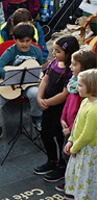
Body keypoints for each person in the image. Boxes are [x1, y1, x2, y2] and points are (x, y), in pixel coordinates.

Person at [0, 24, 48, 146]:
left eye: (28, 41)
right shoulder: (10, 52)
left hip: (28, 84)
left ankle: (36, 118)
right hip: (9, 86)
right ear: (15, 39)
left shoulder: (36, 51)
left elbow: (39, 68)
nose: (25, 44)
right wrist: (11, 76)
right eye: (21, 41)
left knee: (36, 93)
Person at [33, 36, 78, 182]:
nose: (54, 53)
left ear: (68, 53)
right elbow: (45, 79)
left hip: (60, 109)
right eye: (54, 50)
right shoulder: (53, 63)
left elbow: (65, 94)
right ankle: (51, 159)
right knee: (45, 133)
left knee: (60, 137)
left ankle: (62, 164)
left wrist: (47, 101)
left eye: (58, 51)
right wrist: (39, 98)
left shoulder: (70, 71)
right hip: (48, 108)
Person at [64, 68, 97, 200]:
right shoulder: (85, 102)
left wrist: (74, 147)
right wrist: (71, 139)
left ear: (92, 86)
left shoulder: (95, 109)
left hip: (89, 151)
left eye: (80, 85)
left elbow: (87, 135)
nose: (77, 88)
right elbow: (77, 123)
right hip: (79, 147)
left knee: (90, 179)